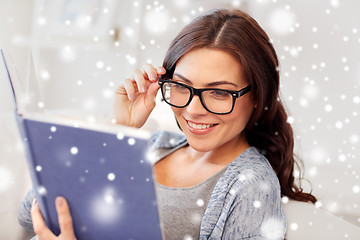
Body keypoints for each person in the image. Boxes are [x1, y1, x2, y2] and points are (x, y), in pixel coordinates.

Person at [19, 8, 316, 240]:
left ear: (257, 96)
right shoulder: (155, 144)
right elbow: (30, 211)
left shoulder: (252, 187)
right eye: (182, 86)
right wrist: (115, 132)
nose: (193, 109)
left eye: (219, 92)